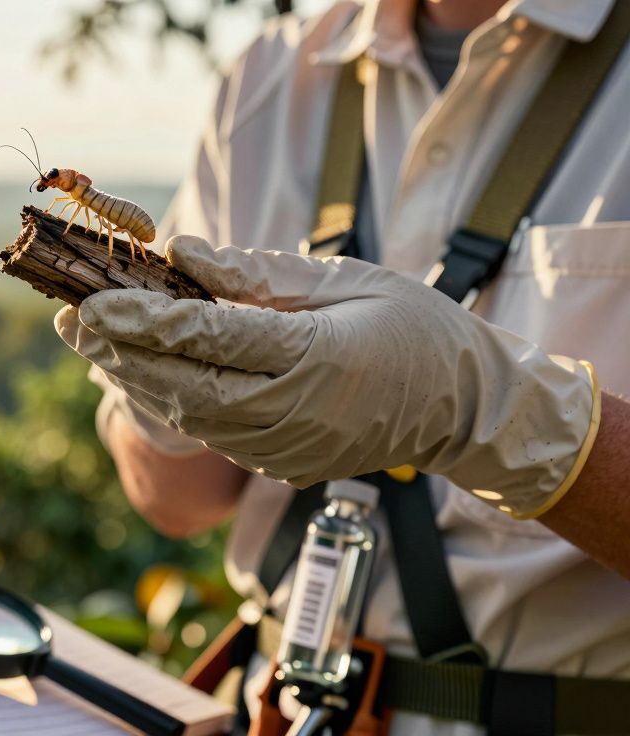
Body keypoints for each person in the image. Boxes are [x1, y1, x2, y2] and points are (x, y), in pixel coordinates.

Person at [54, 0, 630, 733]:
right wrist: (157, 376)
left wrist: (487, 407)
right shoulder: (267, 77)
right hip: (277, 708)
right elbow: (179, 502)